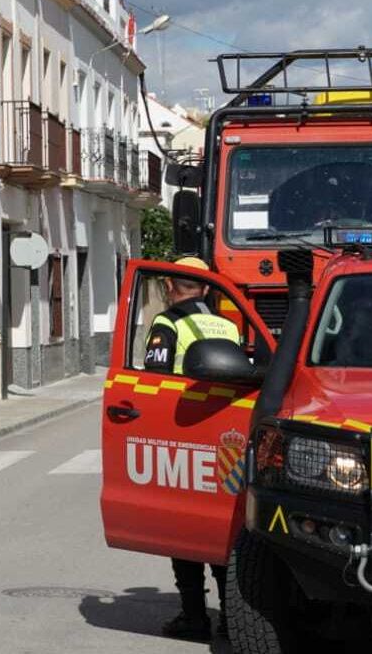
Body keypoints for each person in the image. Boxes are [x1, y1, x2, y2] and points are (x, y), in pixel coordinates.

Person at [144, 256, 243, 641]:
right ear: (205, 288)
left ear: (170, 286)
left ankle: (193, 616)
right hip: (223, 437)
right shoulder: (228, 325)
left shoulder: (168, 323)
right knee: (220, 526)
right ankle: (233, 620)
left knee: (182, 526)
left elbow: (155, 382)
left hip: (182, 433)